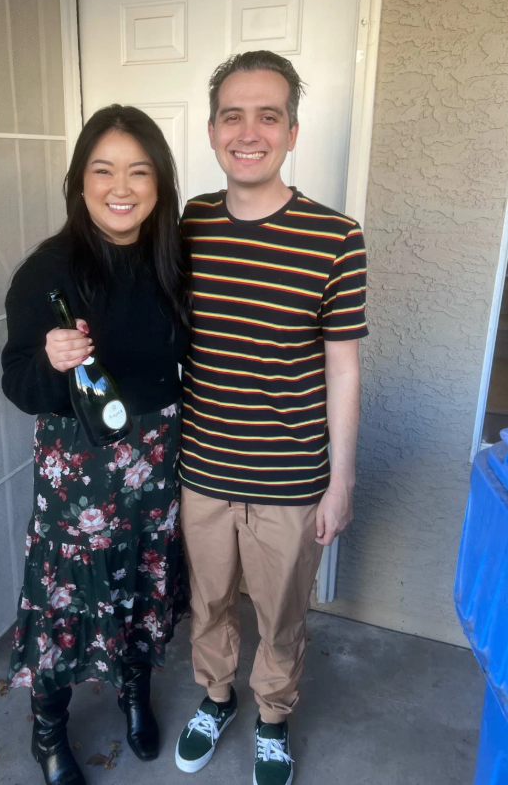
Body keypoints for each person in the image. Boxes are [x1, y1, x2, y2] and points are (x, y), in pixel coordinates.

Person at [174, 51, 368, 785]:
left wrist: (339, 480)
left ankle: (274, 715)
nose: (248, 131)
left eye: (267, 115)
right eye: (233, 115)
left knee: (280, 614)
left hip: (290, 475)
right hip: (204, 467)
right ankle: (217, 695)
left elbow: (342, 365)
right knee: (210, 600)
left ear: (291, 131)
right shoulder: (191, 221)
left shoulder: (335, 237)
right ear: (214, 128)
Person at [1, 105, 190, 785]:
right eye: (102, 169)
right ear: (79, 182)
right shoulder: (47, 271)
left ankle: (135, 692)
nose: (121, 185)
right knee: (65, 601)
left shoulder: (173, 259)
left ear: (159, 183)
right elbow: (16, 380)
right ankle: (48, 732)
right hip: (78, 472)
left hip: (156, 465)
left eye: (138, 170)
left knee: (143, 584)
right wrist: (49, 359)